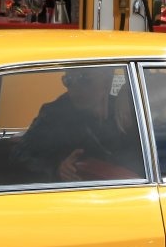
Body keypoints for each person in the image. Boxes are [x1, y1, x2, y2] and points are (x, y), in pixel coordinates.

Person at [11, 67, 144, 183]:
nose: (75, 88)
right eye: (68, 80)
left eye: (84, 79)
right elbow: (19, 155)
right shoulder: (54, 114)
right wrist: (56, 168)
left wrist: (130, 106)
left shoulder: (121, 110)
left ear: (107, 80)